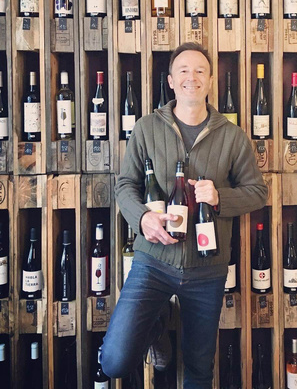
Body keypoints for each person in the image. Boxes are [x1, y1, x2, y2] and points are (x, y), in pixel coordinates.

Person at [101, 42, 267, 388]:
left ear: (210, 80)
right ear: (171, 81)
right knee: (115, 360)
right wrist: (142, 219)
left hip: (208, 269)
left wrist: (219, 197)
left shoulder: (233, 136)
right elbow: (125, 185)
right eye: (184, 71)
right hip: (152, 262)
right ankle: (157, 325)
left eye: (200, 70)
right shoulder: (146, 128)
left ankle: (162, 320)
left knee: (199, 370)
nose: (192, 77)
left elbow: (257, 192)